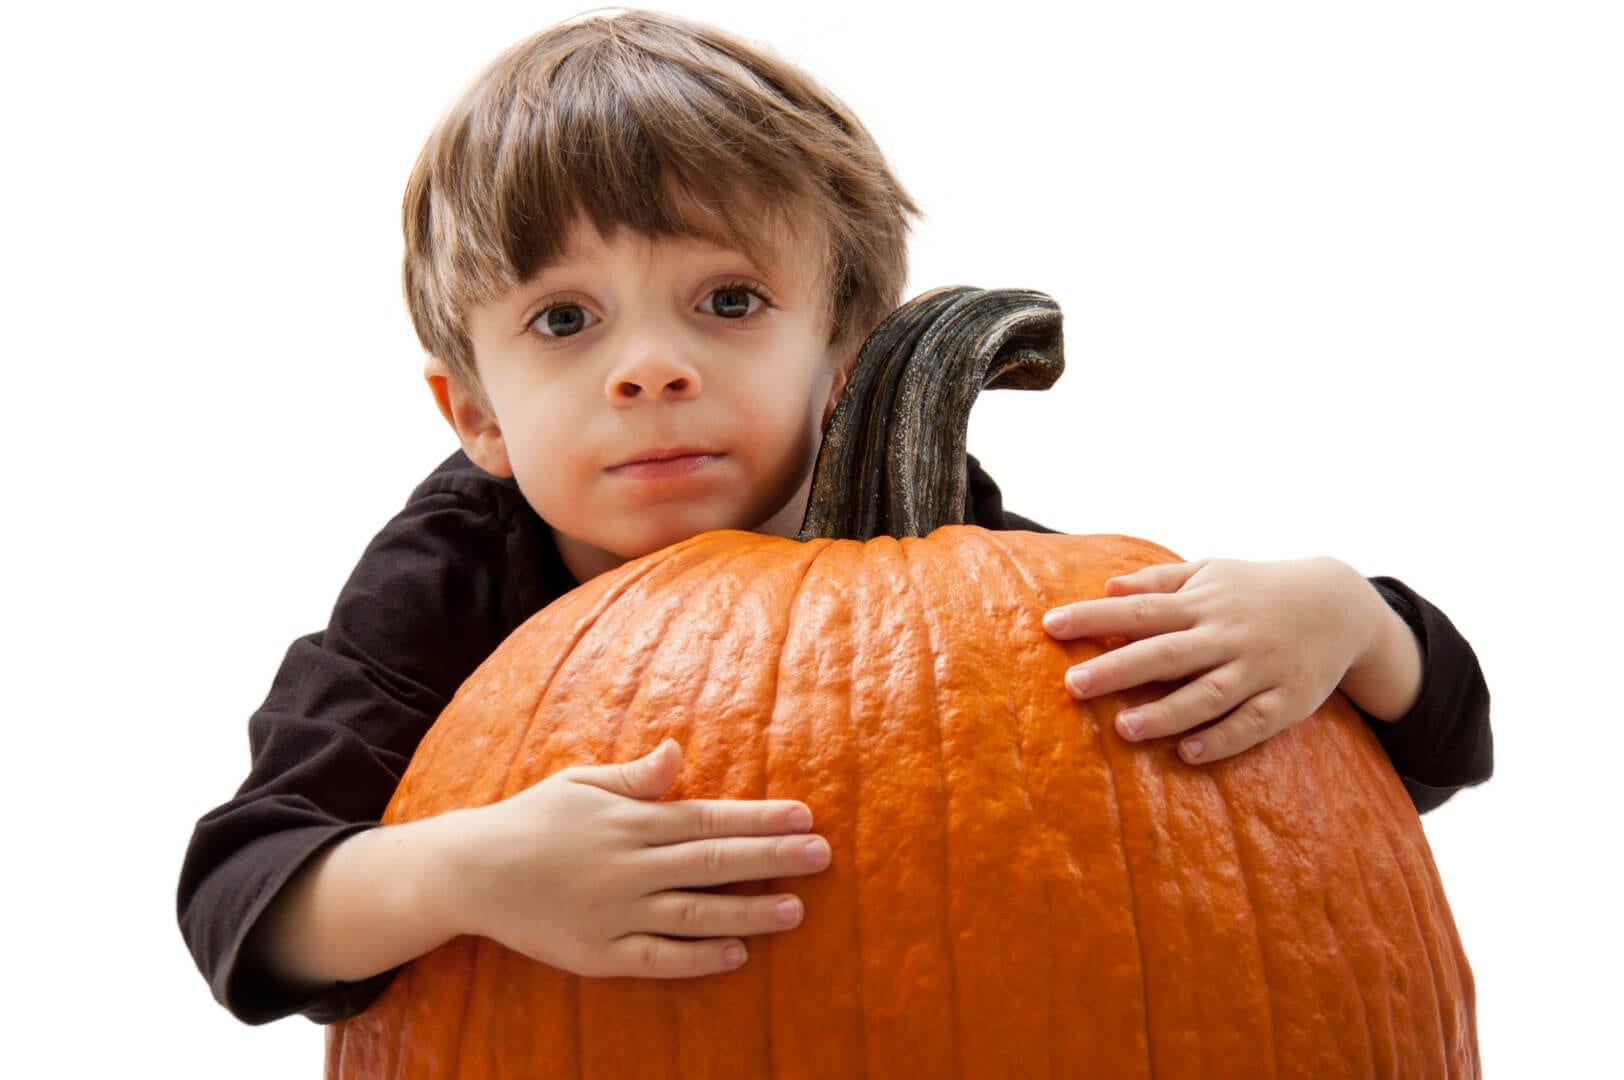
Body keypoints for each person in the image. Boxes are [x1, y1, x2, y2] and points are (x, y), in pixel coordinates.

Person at [178, 9, 1492, 1027]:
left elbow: (1380, 776)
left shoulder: (953, 550)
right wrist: (464, 872)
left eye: (729, 300)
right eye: (565, 319)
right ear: (475, 413)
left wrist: (1345, 619)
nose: (651, 368)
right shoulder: (448, 577)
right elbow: (243, 895)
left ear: (846, 355)